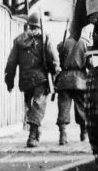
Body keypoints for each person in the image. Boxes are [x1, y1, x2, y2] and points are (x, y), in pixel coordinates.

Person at [4, 12, 60, 148]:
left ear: (29, 25)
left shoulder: (19, 40)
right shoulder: (45, 39)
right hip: (40, 79)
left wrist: (9, 81)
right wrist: (55, 73)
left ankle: (35, 132)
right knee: (37, 106)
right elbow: (53, 59)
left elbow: (11, 63)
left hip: (25, 80)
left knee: (31, 106)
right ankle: (32, 136)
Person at [55, 32, 90, 144]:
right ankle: (83, 134)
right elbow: (89, 63)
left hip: (64, 79)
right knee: (81, 107)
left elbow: (59, 61)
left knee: (63, 108)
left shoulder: (63, 43)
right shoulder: (85, 43)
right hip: (80, 80)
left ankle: (63, 136)